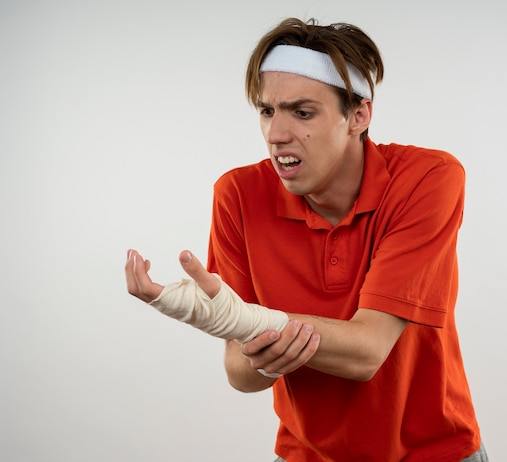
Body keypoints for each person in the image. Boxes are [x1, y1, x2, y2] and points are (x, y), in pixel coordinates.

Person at [126, 17, 488, 462]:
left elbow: (367, 351)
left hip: (435, 454)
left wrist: (250, 322)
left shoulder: (426, 179)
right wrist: (247, 340)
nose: (277, 134)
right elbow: (240, 373)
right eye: (267, 110)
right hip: (305, 455)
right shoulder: (237, 196)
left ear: (358, 115)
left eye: (302, 112)